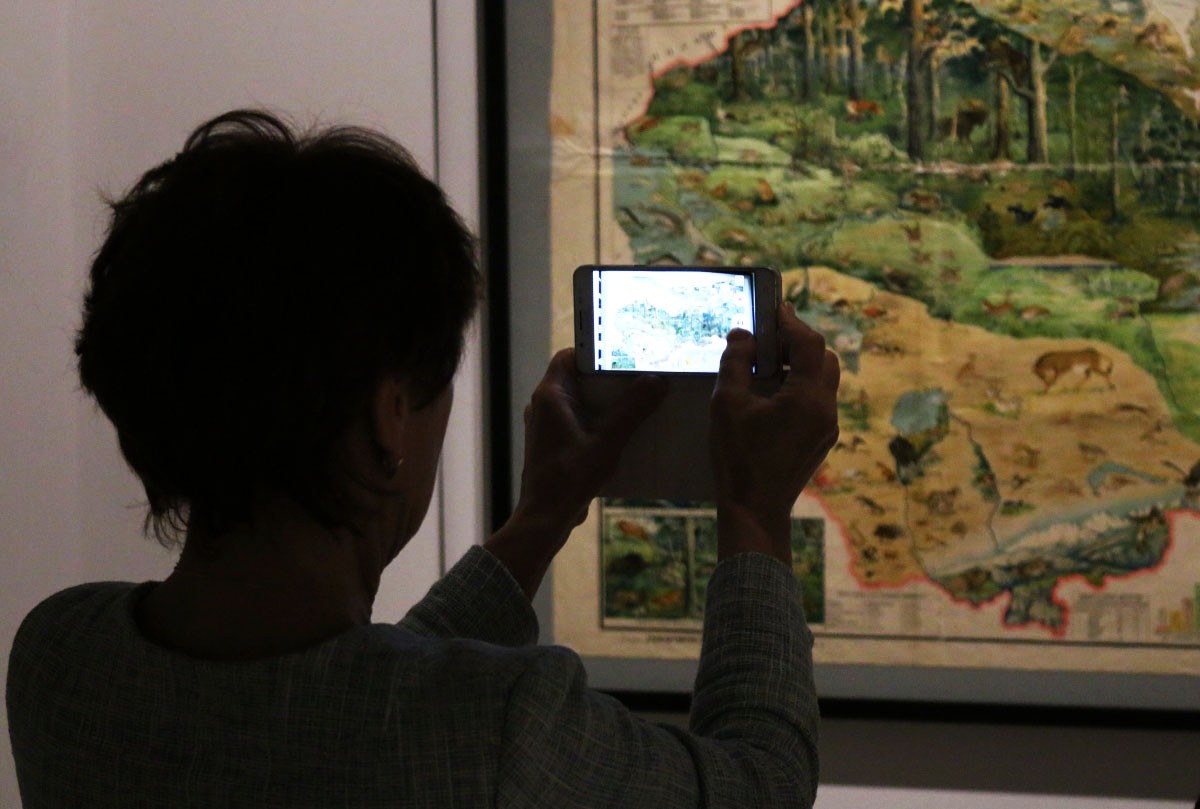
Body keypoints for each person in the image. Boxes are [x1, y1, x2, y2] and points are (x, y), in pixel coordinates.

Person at [6, 109, 840, 807]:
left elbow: (344, 704)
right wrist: (755, 513)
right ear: (389, 417)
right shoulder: (498, 725)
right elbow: (760, 782)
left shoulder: (62, 659)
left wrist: (541, 517)